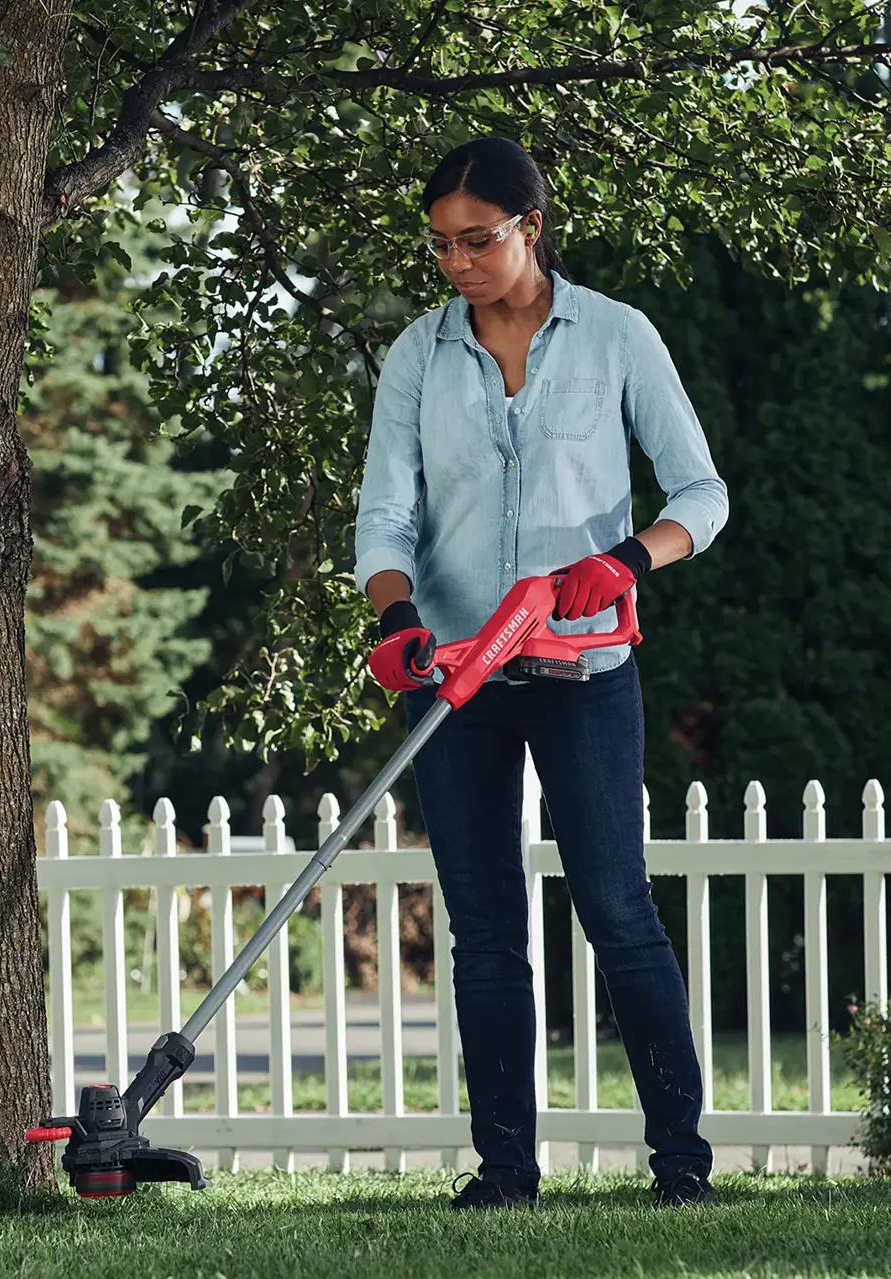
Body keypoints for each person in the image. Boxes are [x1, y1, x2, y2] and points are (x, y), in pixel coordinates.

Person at [353, 136, 730, 1210]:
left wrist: (620, 563)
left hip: (583, 667)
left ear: (532, 227)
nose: (458, 263)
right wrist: (396, 617)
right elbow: (387, 513)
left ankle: (681, 1166)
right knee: (484, 930)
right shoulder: (418, 358)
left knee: (618, 910)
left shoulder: (616, 337)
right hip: (457, 674)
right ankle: (506, 1173)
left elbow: (702, 493)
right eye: (441, 245)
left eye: (479, 240)